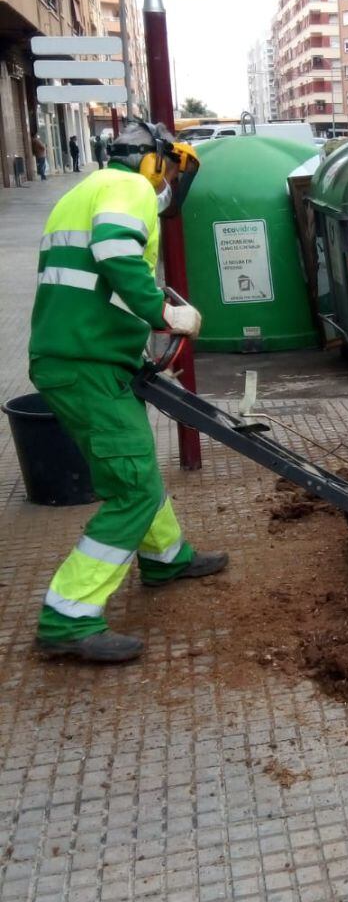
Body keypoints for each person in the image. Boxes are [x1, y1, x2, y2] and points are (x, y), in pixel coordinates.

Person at [29, 120, 223, 664]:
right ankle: (68, 616)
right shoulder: (130, 188)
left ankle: (166, 557)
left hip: (83, 355)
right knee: (133, 486)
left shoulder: (86, 189)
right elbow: (116, 254)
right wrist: (165, 313)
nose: (167, 186)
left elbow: (96, 273)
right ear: (151, 160)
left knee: (133, 467)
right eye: (167, 171)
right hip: (85, 364)